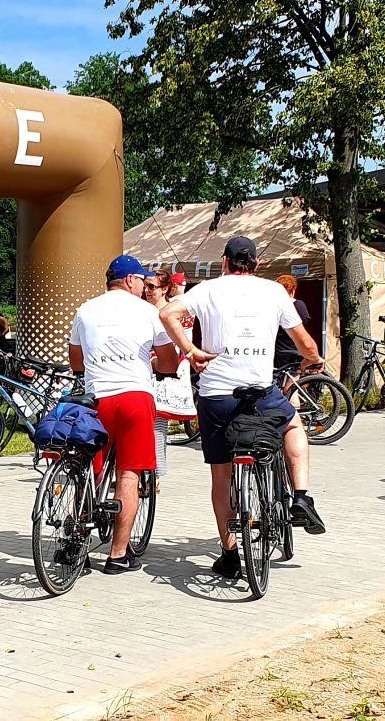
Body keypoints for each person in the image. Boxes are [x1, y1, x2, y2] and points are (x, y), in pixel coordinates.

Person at [159, 236, 326, 581]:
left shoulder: (208, 289)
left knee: (221, 476)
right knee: (293, 425)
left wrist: (191, 351)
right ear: (256, 264)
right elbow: (304, 342)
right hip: (260, 393)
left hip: (217, 396)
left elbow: (167, 313)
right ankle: (301, 497)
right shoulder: (274, 291)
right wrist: (313, 359)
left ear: (225, 262)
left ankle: (231, 554)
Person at [69, 255, 179, 574]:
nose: (145, 287)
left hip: (96, 399)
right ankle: (117, 555)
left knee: (89, 470)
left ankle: (77, 541)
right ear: (130, 280)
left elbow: (76, 360)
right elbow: (170, 362)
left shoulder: (85, 310)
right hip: (135, 397)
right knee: (129, 474)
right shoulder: (148, 312)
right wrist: (154, 365)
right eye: (142, 281)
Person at [144, 270, 194, 476]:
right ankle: (138, 472)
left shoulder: (174, 312)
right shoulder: (142, 310)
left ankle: (155, 475)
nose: (147, 290)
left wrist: (156, 361)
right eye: (145, 285)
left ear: (165, 288)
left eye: (152, 286)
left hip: (164, 375)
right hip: (145, 374)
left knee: (157, 427)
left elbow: (183, 345)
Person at [272, 274, 313, 374]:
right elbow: (305, 322)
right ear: (293, 290)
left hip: (278, 351)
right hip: (296, 349)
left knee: (277, 377)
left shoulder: (274, 306)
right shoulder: (299, 305)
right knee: (294, 376)